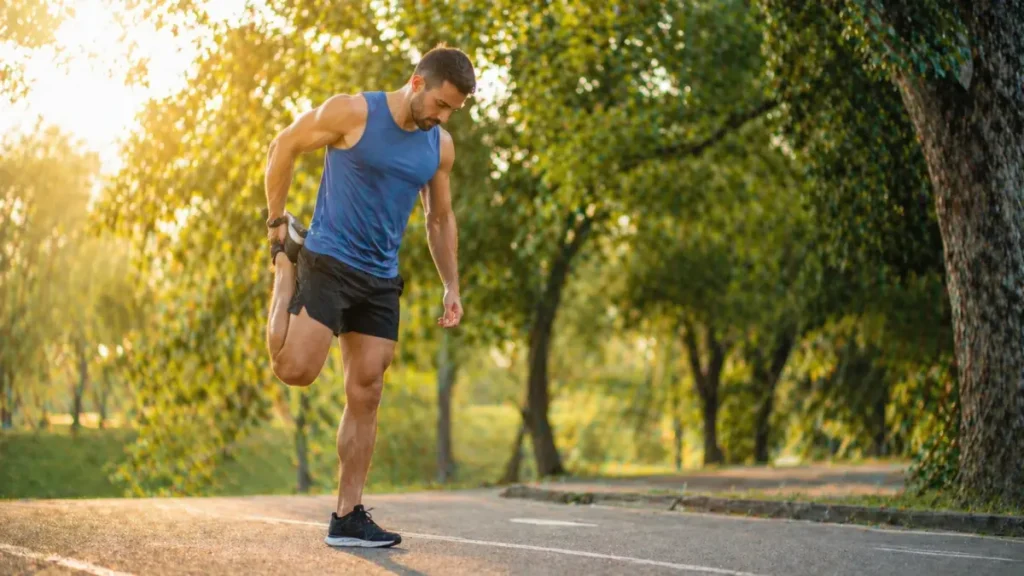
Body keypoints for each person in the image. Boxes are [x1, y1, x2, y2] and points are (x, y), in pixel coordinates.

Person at [262, 44, 474, 548]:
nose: (444, 117)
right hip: (328, 261)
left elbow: (439, 218)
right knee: (294, 370)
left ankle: (348, 514)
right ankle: (285, 269)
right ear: (418, 83)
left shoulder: (438, 146)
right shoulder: (353, 112)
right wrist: (276, 228)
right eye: (441, 105)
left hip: (380, 278)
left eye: (454, 111)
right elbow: (283, 146)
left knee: (368, 389)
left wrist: (451, 284)